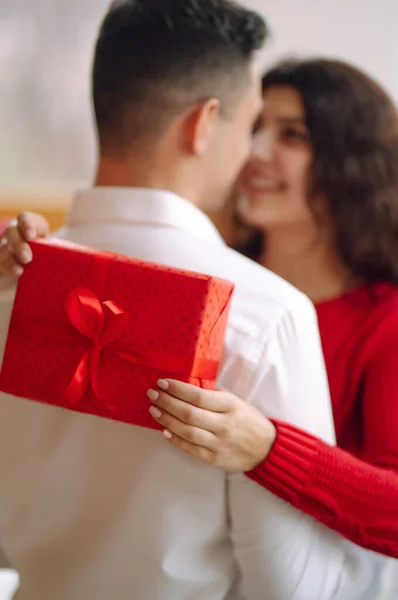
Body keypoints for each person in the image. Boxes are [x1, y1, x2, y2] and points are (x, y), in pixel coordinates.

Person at [0, 8, 383, 600]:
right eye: (254, 123)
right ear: (203, 124)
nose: (254, 151)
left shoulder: (17, 278)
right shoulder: (265, 313)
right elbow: (293, 590)